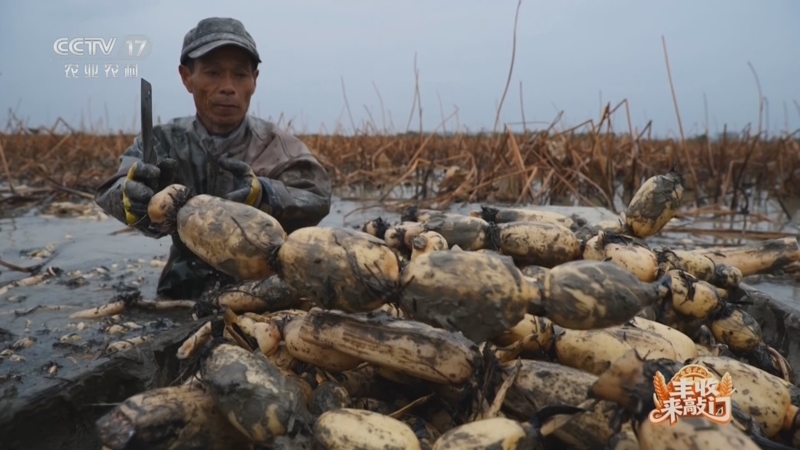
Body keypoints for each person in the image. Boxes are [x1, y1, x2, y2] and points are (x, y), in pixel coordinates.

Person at [94, 17, 332, 300]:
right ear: (186, 78)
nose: (228, 87)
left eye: (240, 75)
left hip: (265, 284)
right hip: (183, 282)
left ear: (254, 80)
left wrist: (265, 193)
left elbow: (318, 198)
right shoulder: (162, 141)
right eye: (213, 73)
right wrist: (132, 198)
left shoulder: (277, 144)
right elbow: (113, 187)